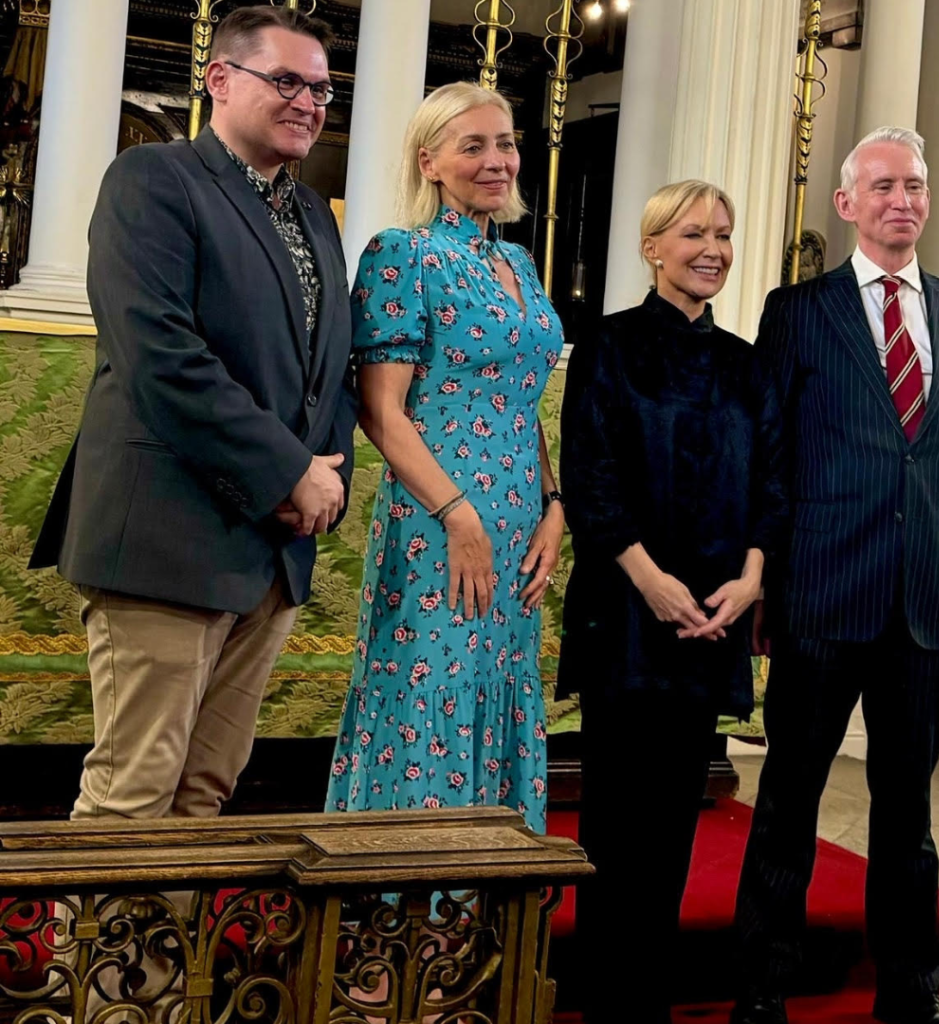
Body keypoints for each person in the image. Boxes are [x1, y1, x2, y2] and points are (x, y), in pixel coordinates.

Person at [29, 6, 357, 821]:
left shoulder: (314, 214)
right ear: (219, 79)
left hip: (272, 550)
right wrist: (288, 471)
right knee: (134, 789)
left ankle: (166, 957)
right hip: (167, 536)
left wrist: (324, 477)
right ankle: (91, 957)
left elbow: (328, 371)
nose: (308, 102)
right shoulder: (154, 180)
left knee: (202, 794)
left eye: (320, 88)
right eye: (285, 80)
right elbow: (161, 356)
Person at [731, 127, 939, 1024]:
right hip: (821, 596)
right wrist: (765, 583)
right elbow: (767, 461)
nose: (904, 199)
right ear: (848, 204)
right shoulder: (797, 310)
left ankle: (911, 991)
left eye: (916, 185)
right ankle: (761, 995)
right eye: (884, 185)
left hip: (932, 606)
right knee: (787, 808)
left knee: (908, 815)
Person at [558, 180, 788, 1024]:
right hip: (629, 613)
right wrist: (649, 580)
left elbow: (772, 476)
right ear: (653, 246)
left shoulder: (745, 360)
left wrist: (757, 574)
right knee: (617, 823)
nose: (713, 249)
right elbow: (590, 473)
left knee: (675, 829)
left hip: (716, 617)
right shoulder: (609, 344)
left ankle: (647, 1000)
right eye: (694, 233)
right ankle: (607, 999)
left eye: (724, 234)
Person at [324, 82, 565, 834]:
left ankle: (483, 909)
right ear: (430, 162)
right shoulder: (404, 253)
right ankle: (404, 909)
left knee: (498, 688)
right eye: (474, 146)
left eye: (506, 143)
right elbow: (380, 411)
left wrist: (556, 507)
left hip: (520, 525)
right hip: (440, 527)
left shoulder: (520, 263)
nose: (497, 161)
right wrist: (457, 515)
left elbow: (520, 404)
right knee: (429, 699)